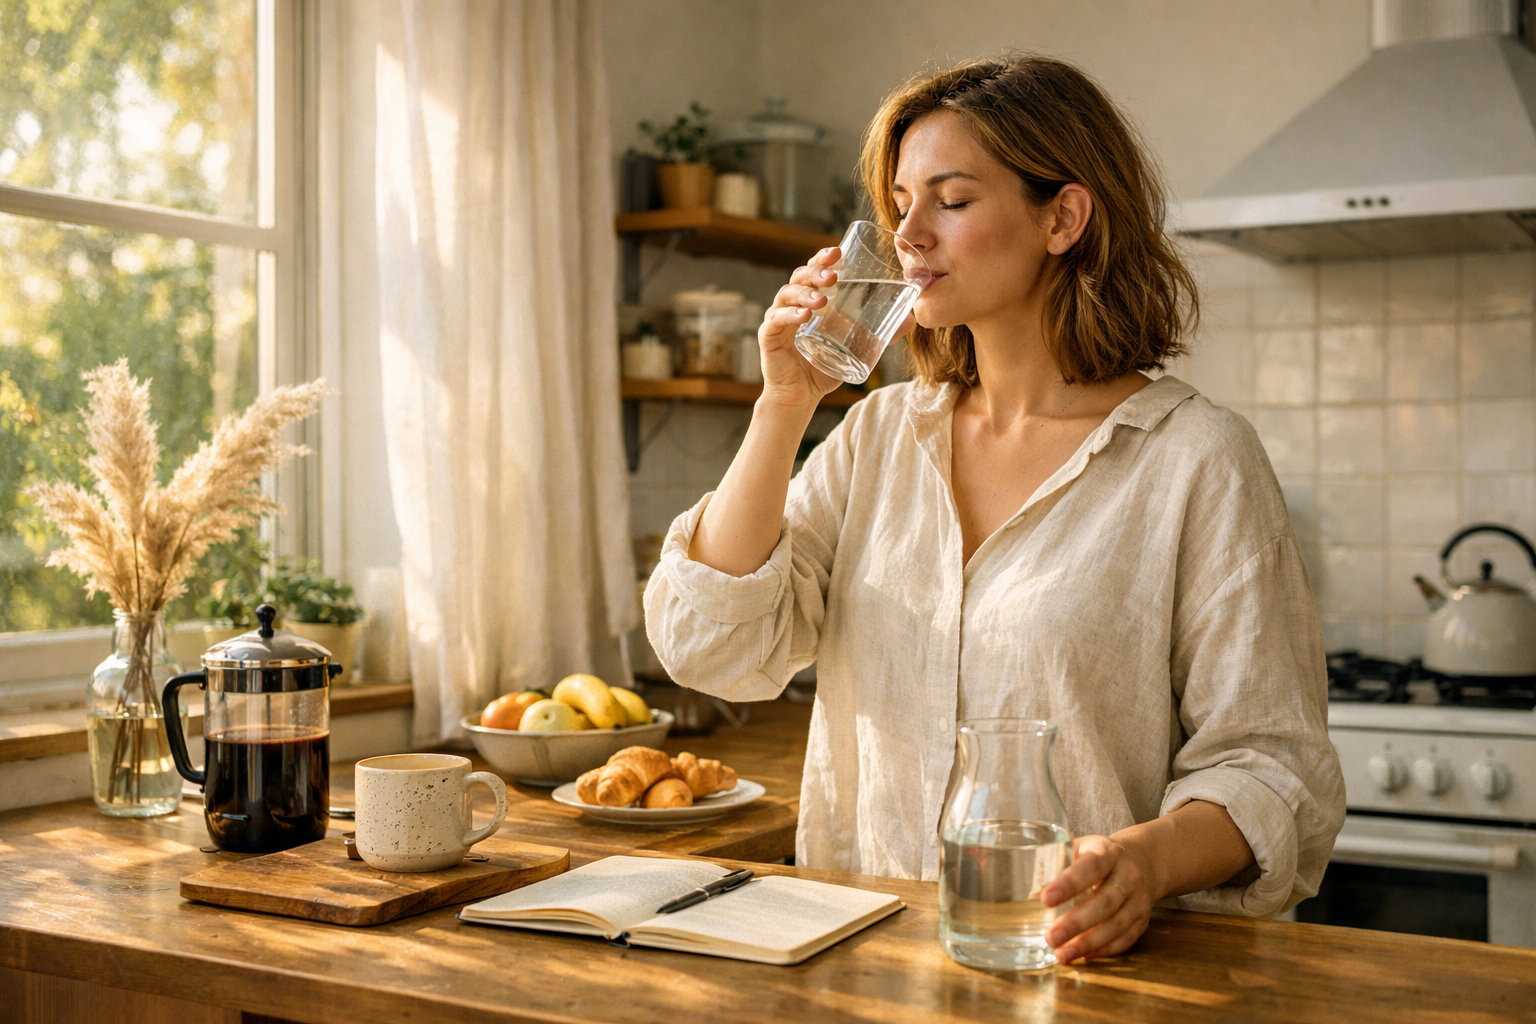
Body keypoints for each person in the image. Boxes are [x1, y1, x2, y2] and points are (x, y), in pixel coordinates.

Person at [644, 54, 1344, 964]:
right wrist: (784, 405)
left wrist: (1140, 863)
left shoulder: (1194, 460)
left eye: (952, 200)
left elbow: (1273, 768)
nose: (909, 234)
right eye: (899, 204)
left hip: (1087, 969)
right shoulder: (876, 439)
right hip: (865, 964)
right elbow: (713, 647)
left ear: (1063, 217)